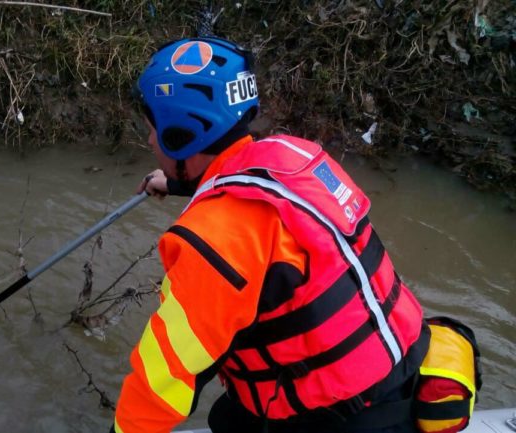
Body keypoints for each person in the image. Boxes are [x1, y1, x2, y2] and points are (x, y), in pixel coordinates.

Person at [110, 37, 431, 433]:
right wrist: (180, 183)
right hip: (400, 370)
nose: (148, 141)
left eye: (153, 131)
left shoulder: (212, 242)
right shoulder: (298, 155)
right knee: (229, 416)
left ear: (181, 138)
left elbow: (166, 375)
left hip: (338, 420)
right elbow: (260, 191)